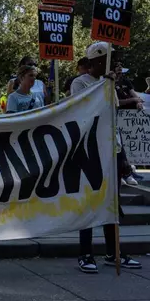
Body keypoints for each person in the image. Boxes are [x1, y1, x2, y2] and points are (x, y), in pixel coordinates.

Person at [71, 41, 142, 274]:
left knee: (112, 204)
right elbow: (87, 110)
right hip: (90, 151)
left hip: (111, 149)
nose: (113, 64)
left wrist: (122, 156)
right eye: (109, 59)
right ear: (97, 61)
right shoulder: (80, 83)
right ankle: (85, 254)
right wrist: (108, 86)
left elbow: (112, 115)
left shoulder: (107, 84)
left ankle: (115, 252)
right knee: (89, 202)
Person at [114, 63, 144, 184]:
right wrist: (133, 100)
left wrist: (138, 102)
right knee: (119, 146)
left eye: (121, 70)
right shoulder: (109, 84)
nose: (120, 72)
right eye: (117, 69)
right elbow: (117, 102)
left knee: (126, 146)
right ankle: (122, 174)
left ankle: (128, 171)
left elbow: (135, 95)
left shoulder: (126, 81)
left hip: (130, 121)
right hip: (117, 118)